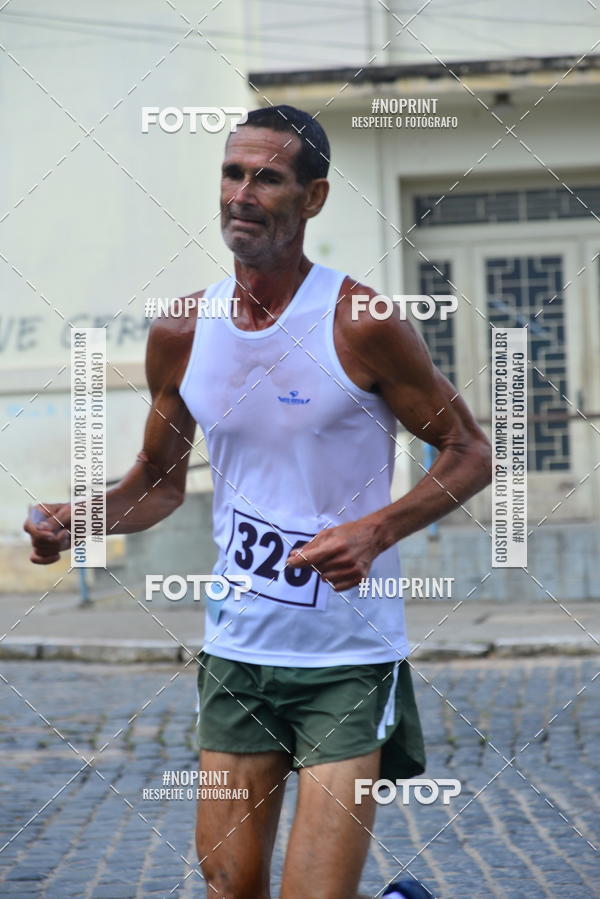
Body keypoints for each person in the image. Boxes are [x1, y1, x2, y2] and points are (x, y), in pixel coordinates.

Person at [25, 105, 492, 899]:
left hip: (347, 659)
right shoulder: (182, 329)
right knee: (228, 887)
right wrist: (81, 520)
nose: (242, 192)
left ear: (312, 198)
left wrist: (375, 531)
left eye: (267, 177)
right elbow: (158, 480)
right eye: (232, 172)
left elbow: (471, 450)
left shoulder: (361, 321)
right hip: (239, 654)